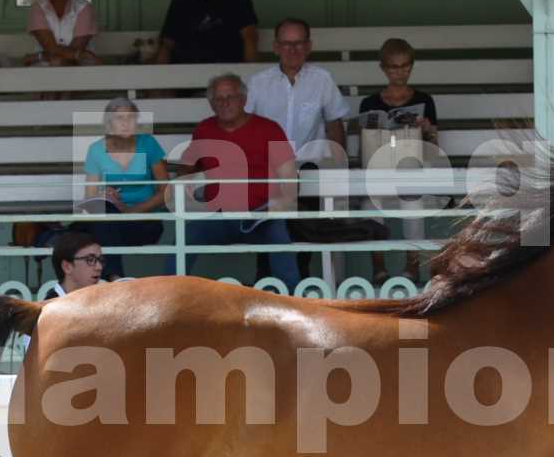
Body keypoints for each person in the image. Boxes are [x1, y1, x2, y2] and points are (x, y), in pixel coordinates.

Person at [178, 73, 301, 291]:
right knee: (182, 241)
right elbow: (187, 164)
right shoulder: (204, 129)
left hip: (260, 215)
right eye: (218, 98)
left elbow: (289, 174)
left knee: (280, 242)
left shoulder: (268, 128)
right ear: (211, 103)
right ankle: (169, 295)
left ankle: (293, 299)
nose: (225, 103)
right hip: (219, 215)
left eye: (231, 97)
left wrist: (285, 200)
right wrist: (185, 178)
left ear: (243, 100)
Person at [81, 97, 169, 280]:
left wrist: (130, 210)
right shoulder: (96, 150)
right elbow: (89, 199)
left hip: (144, 223)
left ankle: (113, 279)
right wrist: (103, 195)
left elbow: (166, 191)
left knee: (101, 231)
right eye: (119, 118)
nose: (126, 123)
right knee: (103, 215)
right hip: (111, 222)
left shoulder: (148, 143)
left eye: (130, 117)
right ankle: (116, 278)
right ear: (108, 123)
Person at [245, 18, 349, 160]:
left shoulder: (322, 79)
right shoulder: (258, 83)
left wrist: (339, 169)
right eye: (286, 44)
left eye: (298, 43)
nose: (292, 50)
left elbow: (334, 126)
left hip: (311, 168)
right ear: (276, 47)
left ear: (308, 47)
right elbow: (245, 126)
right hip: (269, 167)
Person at [357, 38, 439, 145]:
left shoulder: (424, 100)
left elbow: (434, 147)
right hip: (381, 160)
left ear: (412, 65)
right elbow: (363, 150)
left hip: (414, 159)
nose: (400, 71)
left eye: (405, 65)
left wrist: (428, 131)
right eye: (394, 67)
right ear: (383, 68)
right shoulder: (369, 104)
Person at [25, 0, 98, 67]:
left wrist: (38, 56)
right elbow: (51, 48)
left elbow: (76, 49)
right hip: (45, 72)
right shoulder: (37, 9)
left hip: (80, 71)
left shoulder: (84, 8)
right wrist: (79, 55)